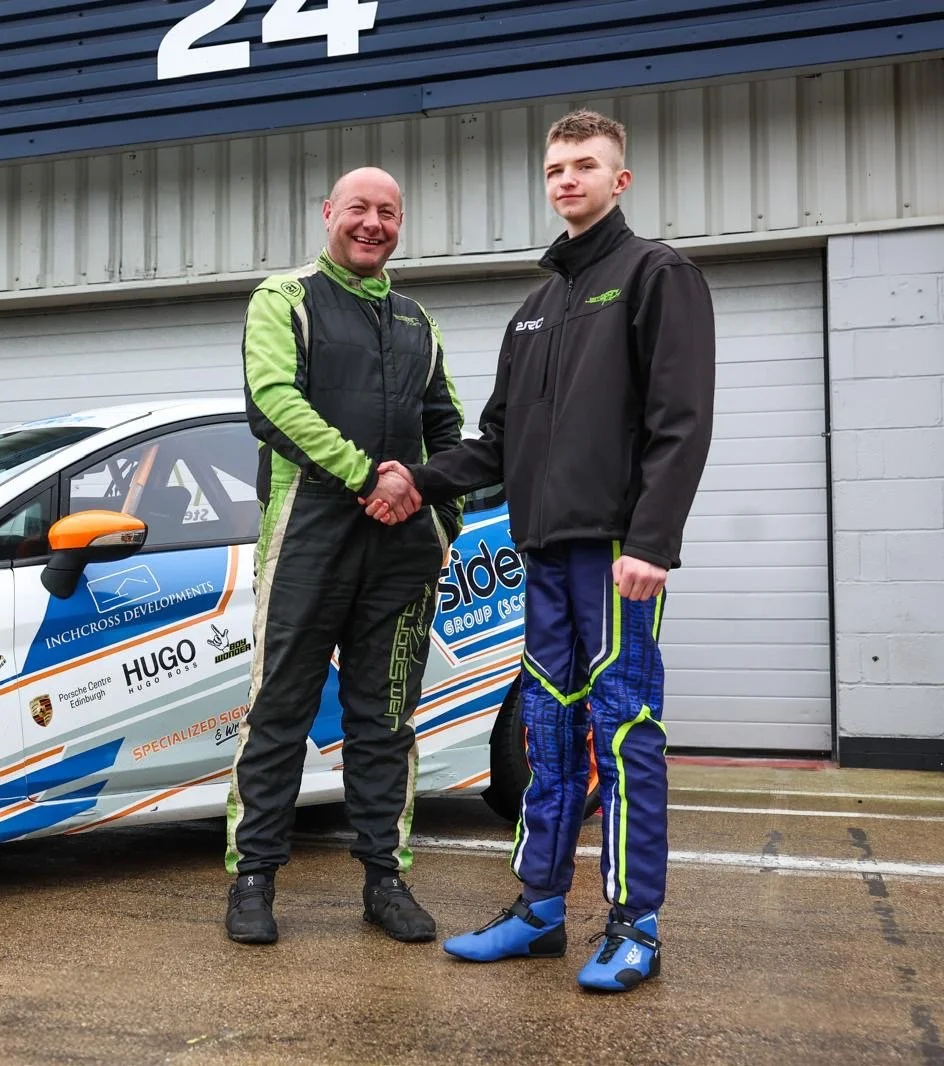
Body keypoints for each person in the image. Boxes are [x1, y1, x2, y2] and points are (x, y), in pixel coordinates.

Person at [387, 110, 715, 991]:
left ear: (620, 180)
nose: (567, 179)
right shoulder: (534, 311)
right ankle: (538, 909)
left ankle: (635, 925)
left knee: (624, 728)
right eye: (555, 169)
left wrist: (653, 541)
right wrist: (417, 479)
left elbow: (681, 423)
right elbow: (497, 443)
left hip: (614, 557)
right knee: (547, 730)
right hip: (542, 554)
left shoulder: (657, 275)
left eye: (585, 165)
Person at [223, 166, 466, 946]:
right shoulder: (284, 299)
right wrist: (369, 476)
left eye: (387, 212)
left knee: (386, 719)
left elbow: (448, 426)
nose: (372, 224)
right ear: (329, 212)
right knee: (280, 713)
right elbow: (273, 402)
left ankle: (385, 881)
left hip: (400, 546)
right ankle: (253, 878)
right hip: (308, 536)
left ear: (400, 224)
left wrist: (438, 513)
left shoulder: (418, 321)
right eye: (358, 208)